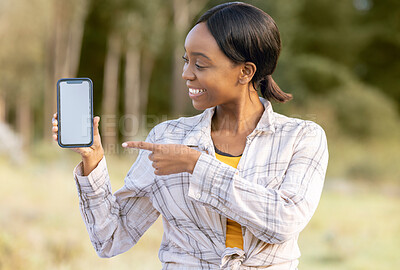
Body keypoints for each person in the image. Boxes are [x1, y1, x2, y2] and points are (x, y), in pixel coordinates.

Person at [52, 2, 328, 269]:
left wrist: (197, 165)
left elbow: (284, 222)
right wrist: (93, 161)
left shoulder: (301, 138)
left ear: (245, 71)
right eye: (186, 61)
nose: (186, 74)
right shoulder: (168, 137)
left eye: (200, 64)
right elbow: (110, 238)